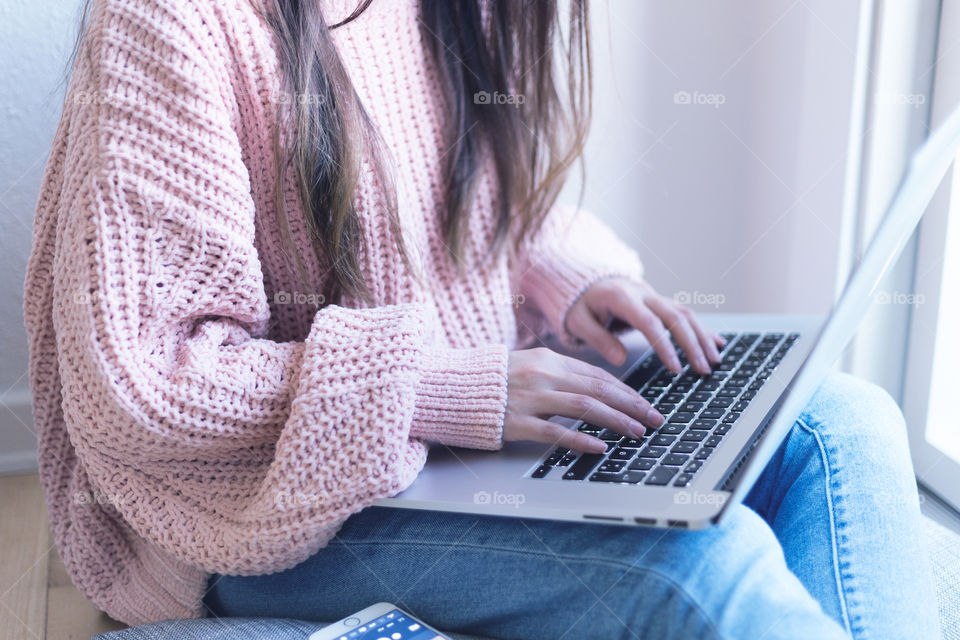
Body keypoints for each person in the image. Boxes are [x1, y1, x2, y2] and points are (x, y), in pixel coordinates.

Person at [23, 0, 938, 638]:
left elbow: (459, 202)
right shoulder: (171, 15)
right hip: (255, 505)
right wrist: (440, 387)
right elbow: (146, 382)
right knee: (698, 562)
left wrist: (566, 280)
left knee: (844, 423)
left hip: (459, 430)